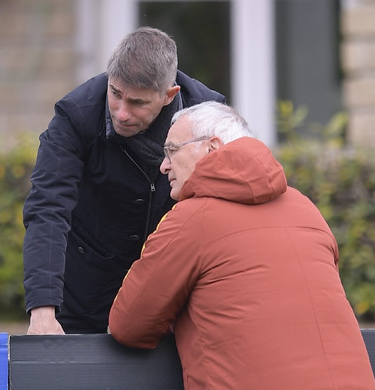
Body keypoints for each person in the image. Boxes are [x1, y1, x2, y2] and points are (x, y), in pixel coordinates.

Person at [109, 102, 375, 390]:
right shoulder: (305, 209)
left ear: (211, 149)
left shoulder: (191, 220)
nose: (163, 165)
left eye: (171, 150)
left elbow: (128, 324)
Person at [23, 27, 225, 335]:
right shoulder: (74, 115)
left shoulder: (209, 118)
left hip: (174, 297)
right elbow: (47, 208)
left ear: (169, 95)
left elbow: (229, 212)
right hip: (84, 295)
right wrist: (42, 312)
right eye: (115, 94)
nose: (121, 113)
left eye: (137, 103)